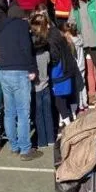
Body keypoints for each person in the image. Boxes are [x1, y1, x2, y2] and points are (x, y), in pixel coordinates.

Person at [0, 6, 41, 160]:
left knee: (9, 112)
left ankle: (14, 146)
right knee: (23, 112)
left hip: (4, 71)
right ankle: (25, 149)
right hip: (19, 70)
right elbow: (27, 48)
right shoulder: (22, 26)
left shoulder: (1, 27)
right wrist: (32, 68)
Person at [30, 14, 81, 127]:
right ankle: (72, 117)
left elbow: (55, 57)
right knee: (69, 96)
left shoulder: (50, 39)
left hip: (60, 71)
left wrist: (47, 63)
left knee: (59, 100)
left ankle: (68, 124)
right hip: (68, 67)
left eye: (35, 29)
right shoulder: (55, 31)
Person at [30, 15, 55, 148]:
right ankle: (51, 139)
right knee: (48, 113)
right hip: (46, 86)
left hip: (36, 88)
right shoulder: (46, 54)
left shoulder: (32, 58)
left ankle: (42, 141)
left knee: (38, 115)